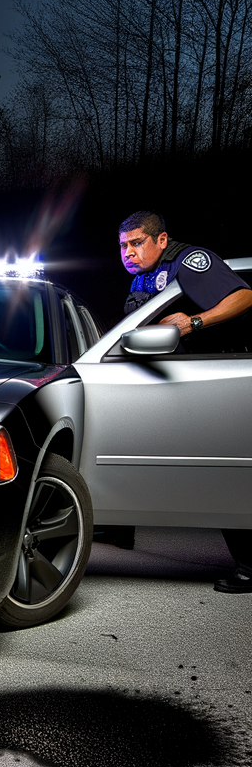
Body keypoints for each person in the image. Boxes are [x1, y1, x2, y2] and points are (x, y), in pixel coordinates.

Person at [119, 210, 252, 593]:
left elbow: (244, 295)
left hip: (214, 380)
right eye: (123, 246)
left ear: (161, 240)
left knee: (224, 471)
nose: (128, 252)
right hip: (170, 382)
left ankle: (249, 565)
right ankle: (117, 528)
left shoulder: (188, 260)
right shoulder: (143, 275)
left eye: (137, 242)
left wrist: (194, 322)